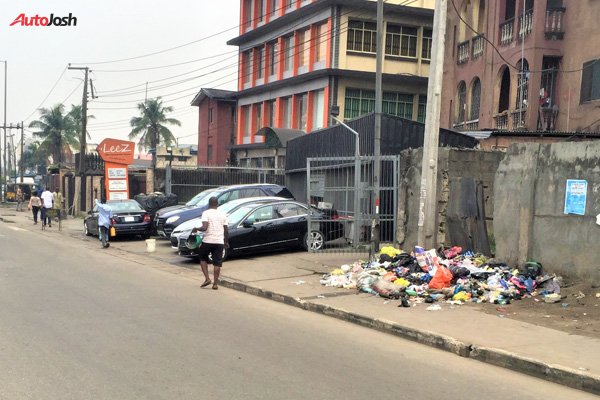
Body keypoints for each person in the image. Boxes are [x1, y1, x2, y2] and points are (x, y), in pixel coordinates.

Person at [192, 196, 229, 290]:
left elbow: (204, 228)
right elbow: (226, 230)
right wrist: (226, 241)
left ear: (209, 204)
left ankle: (207, 279)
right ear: (217, 204)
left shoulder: (206, 213)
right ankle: (215, 284)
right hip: (219, 242)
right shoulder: (223, 214)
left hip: (208, 241)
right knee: (217, 263)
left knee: (202, 259)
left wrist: (196, 228)